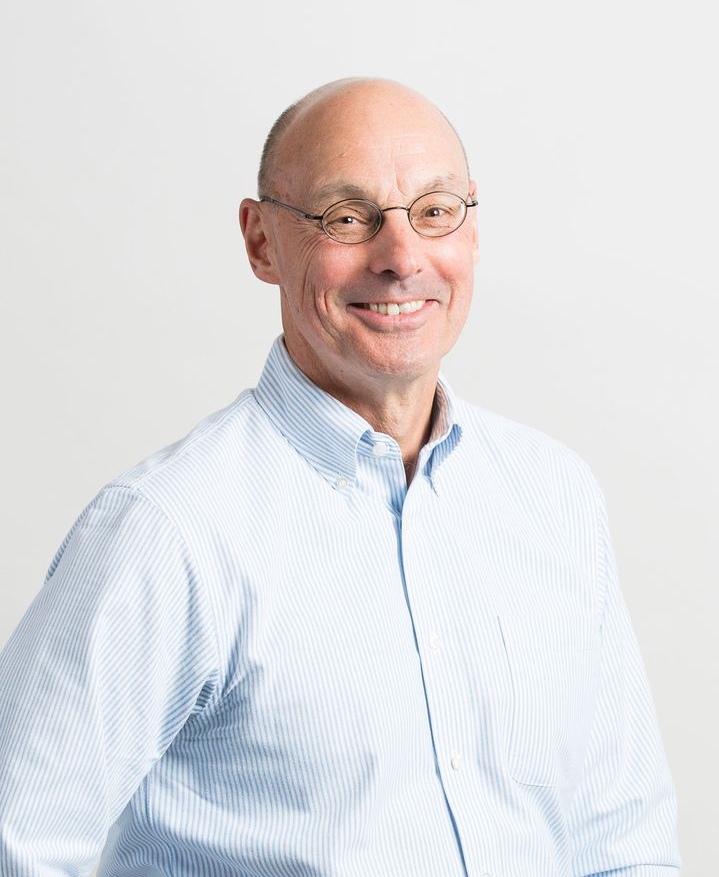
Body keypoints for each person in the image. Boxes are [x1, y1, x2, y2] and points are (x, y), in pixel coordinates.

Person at [0, 78, 680, 876]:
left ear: (470, 230)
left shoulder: (553, 495)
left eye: (434, 211)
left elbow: (623, 844)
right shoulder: (168, 532)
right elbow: (20, 843)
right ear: (261, 241)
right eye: (346, 218)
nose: (401, 258)